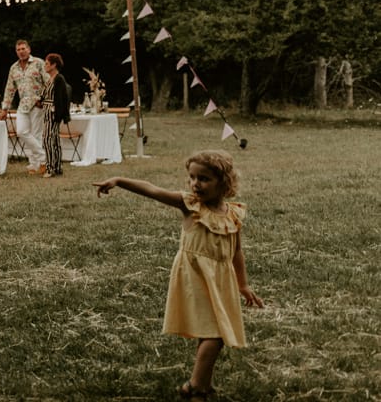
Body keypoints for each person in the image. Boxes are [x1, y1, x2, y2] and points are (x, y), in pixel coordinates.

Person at [96, 151, 264, 400]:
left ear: (224, 182)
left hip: (220, 279)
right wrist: (120, 180)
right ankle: (195, 386)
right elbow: (152, 190)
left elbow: (237, 251)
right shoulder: (189, 204)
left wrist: (243, 284)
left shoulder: (233, 213)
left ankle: (201, 385)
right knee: (215, 335)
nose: (195, 184)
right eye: (192, 177)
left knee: (210, 332)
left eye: (204, 178)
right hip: (195, 277)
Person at [1, 39, 49, 174]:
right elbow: (10, 89)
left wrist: (43, 98)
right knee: (21, 132)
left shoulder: (39, 63)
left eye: (23, 49)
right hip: (23, 105)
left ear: (29, 49)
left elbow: (48, 82)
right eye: (18, 50)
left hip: (37, 103)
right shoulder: (14, 68)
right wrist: (5, 108)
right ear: (16, 52)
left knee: (36, 135)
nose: (21, 52)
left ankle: (35, 165)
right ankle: (44, 159)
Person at [42, 53, 71, 177]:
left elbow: (62, 98)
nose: (45, 66)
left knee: (48, 140)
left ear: (54, 65)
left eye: (47, 63)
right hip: (47, 112)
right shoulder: (50, 79)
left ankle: (50, 168)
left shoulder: (59, 79)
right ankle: (57, 167)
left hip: (53, 113)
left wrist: (59, 115)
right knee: (53, 140)